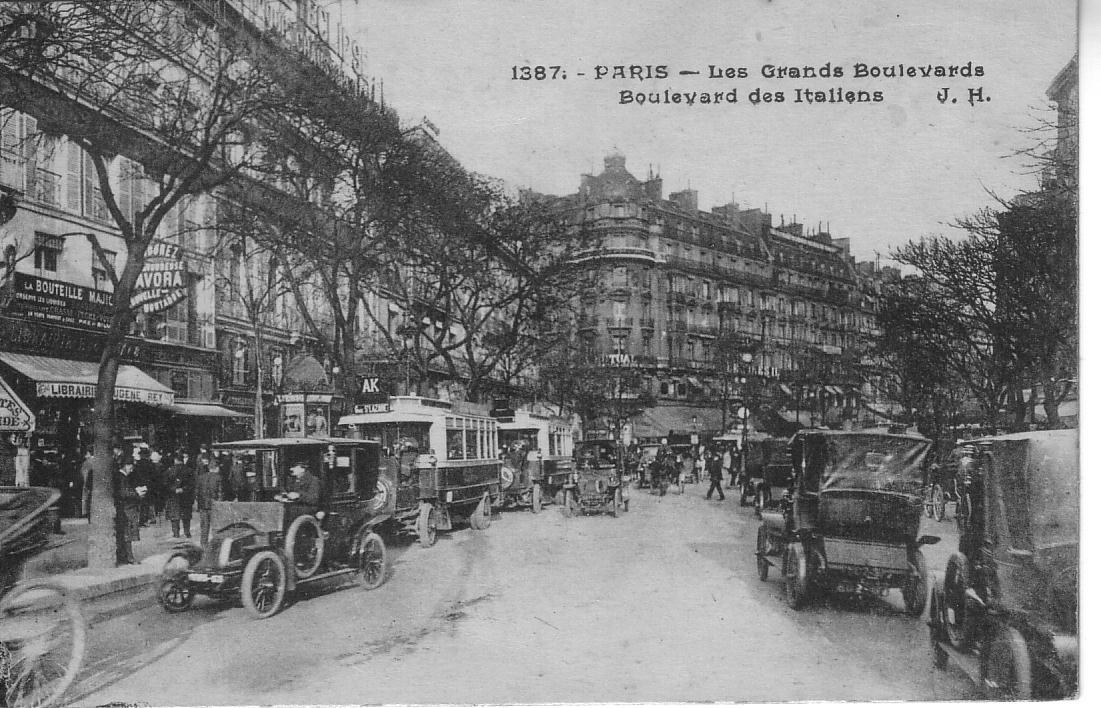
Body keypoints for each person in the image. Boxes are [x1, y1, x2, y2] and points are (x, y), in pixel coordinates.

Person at [114, 459, 146, 564]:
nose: (131, 470)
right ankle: (129, 557)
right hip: (126, 508)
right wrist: (137, 494)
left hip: (126, 507)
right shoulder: (121, 477)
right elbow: (124, 493)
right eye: (130, 467)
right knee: (127, 534)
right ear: (124, 465)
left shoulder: (123, 477)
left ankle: (125, 557)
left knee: (126, 533)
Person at [164, 450, 195, 538]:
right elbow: (192, 484)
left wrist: (174, 489)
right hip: (185, 496)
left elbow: (165, 484)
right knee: (186, 515)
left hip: (173, 496)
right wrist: (183, 489)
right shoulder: (189, 470)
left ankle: (176, 533)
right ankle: (187, 532)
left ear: (175, 460)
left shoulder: (169, 470)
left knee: (174, 516)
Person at [195, 456, 223, 544]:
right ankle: (215, 546)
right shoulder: (218, 478)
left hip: (203, 505)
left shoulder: (201, 477)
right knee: (216, 527)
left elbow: (196, 492)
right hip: (214, 505)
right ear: (217, 468)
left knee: (204, 527)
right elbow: (220, 492)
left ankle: (203, 545)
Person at [133, 445, 157, 526]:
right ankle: (147, 519)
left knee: (140, 504)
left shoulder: (137, 465)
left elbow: (135, 476)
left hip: (139, 485)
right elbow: (154, 476)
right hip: (149, 485)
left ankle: (141, 520)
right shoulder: (151, 464)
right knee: (148, 503)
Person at [79, 448, 95, 517]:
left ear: (88, 453)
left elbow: (82, 474)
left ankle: (86, 512)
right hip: (95, 484)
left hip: (87, 483)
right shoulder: (98, 461)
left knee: (86, 498)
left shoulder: (86, 462)